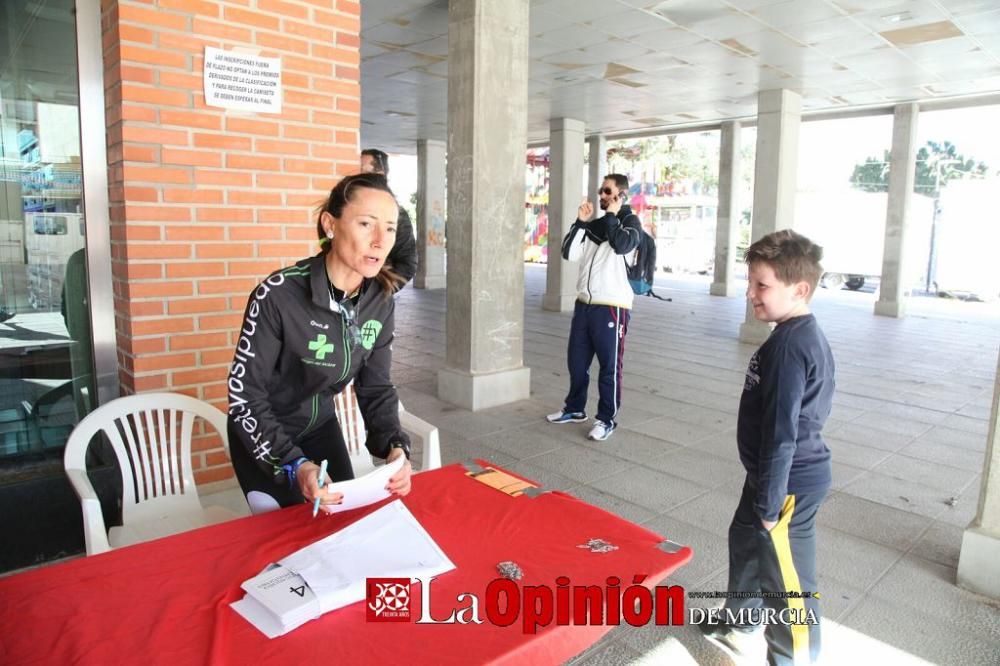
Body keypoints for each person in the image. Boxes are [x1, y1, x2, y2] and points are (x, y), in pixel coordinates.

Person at [227, 172, 413, 515]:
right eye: (365, 224)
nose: (379, 240)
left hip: (320, 424)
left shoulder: (380, 300)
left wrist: (394, 446)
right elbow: (245, 398)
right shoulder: (277, 295)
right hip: (266, 431)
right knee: (281, 538)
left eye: (389, 228)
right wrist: (294, 465)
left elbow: (376, 386)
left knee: (340, 521)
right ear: (331, 224)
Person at [700, 229, 835, 665]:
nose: (751, 294)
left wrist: (771, 502)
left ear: (800, 289)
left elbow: (783, 432)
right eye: (750, 283)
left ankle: (792, 658)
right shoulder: (790, 334)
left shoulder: (791, 347)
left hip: (788, 483)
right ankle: (741, 619)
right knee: (744, 540)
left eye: (762, 286)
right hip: (766, 475)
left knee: (788, 587)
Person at [546, 174, 642, 441]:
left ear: (620, 195)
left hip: (612, 307)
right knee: (576, 362)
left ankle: (606, 419)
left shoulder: (631, 224)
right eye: (601, 190)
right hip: (584, 305)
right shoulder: (594, 225)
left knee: (610, 367)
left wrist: (613, 216)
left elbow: (622, 245)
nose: (601, 195)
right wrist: (580, 222)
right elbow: (568, 252)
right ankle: (575, 409)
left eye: (607, 191)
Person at [359, 148, 418, 286]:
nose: (355, 176)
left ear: (380, 174)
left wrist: (376, 293)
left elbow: (407, 264)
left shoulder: (397, 213)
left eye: (361, 170)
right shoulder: (345, 207)